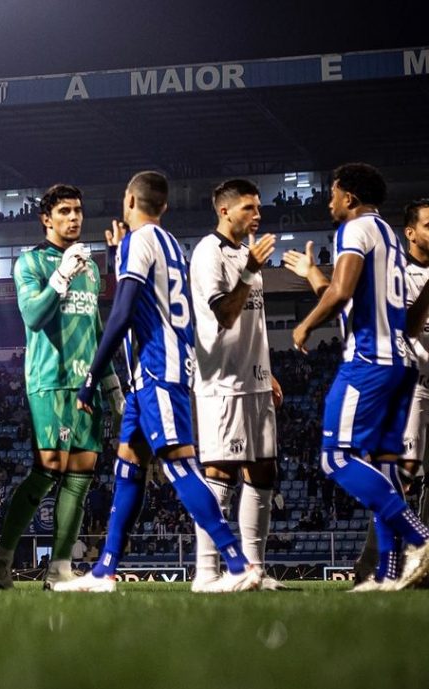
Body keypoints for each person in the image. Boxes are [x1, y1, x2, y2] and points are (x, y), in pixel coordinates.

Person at [58, 171, 262, 593]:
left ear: (128, 200)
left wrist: (92, 375)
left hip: (157, 369)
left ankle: (239, 564)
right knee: (129, 467)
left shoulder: (140, 241)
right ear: (164, 207)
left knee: (179, 464)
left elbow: (123, 311)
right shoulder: (170, 243)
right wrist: (118, 258)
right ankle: (105, 571)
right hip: (150, 375)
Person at [285, 166, 429, 590]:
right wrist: (314, 275)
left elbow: (342, 292)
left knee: (337, 458)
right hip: (402, 363)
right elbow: (388, 311)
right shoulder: (388, 236)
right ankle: (384, 576)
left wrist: (306, 325)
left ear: (349, 197)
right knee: (384, 470)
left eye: (332, 194)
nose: (329, 202)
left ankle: (420, 538)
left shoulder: (354, 230)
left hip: (368, 361)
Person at [0, 183, 124, 591]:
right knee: (48, 469)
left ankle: (60, 568)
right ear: (47, 219)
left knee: (81, 475)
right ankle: (2, 559)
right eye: (64, 211)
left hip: (88, 384)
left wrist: (112, 383)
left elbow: (95, 326)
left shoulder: (92, 267)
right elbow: (33, 315)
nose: (74, 217)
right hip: (49, 381)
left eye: (78, 210)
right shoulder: (30, 263)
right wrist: (61, 274)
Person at [188, 179, 284, 592]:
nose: (257, 215)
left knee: (264, 470)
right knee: (220, 472)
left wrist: (267, 369)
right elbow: (225, 315)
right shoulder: (208, 252)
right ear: (224, 211)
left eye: (258, 208)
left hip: (254, 378)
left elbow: (252, 322)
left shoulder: (247, 254)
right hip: (221, 381)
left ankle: (254, 570)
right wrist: (249, 272)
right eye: (249, 208)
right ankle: (207, 573)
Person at [351, 198, 429, 583]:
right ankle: (372, 567)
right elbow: (410, 328)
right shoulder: (399, 274)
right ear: (410, 233)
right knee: (400, 475)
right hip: (412, 387)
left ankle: (421, 564)